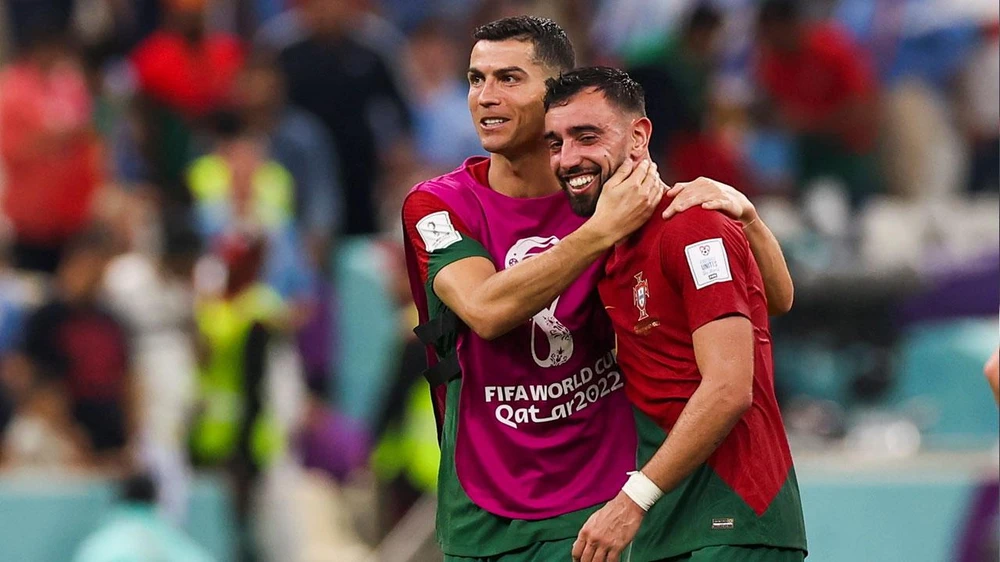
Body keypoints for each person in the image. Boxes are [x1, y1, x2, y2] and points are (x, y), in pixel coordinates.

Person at [402, 16, 794, 561]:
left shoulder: (621, 200)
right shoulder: (438, 205)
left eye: (509, 79)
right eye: (475, 79)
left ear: (556, 94)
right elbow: (486, 310)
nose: (485, 97)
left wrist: (747, 217)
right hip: (480, 506)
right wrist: (600, 231)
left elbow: (768, 302)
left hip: (601, 503)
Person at [543, 66, 805, 562]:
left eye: (587, 136)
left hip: (733, 519)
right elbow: (776, 298)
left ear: (639, 137)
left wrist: (631, 500)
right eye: (556, 142)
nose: (568, 158)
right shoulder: (608, 251)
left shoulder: (693, 227)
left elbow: (729, 388)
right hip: (668, 525)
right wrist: (750, 218)